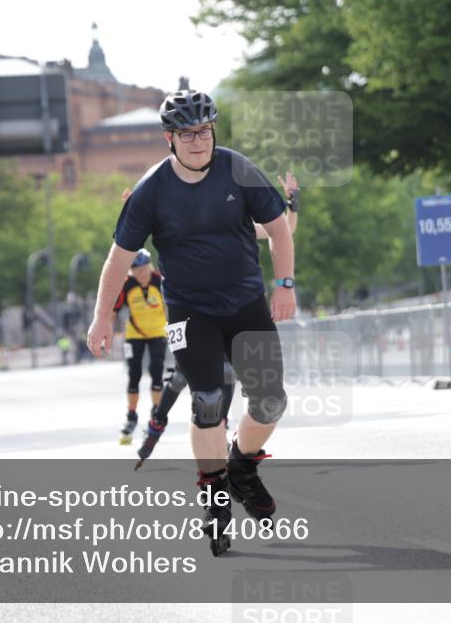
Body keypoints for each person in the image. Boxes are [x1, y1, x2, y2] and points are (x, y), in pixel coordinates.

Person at [87, 89, 296, 556]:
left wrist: (284, 282)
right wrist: (103, 316)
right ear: (170, 138)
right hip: (189, 310)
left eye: (204, 131)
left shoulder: (237, 169)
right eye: (187, 133)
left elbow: (279, 226)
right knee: (207, 400)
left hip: (246, 304)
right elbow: (118, 258)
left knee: (270, 401)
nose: (199, 140)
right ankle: (214, 491)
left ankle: (241, 464)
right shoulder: (151, 190)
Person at [133, 171, 301, 467]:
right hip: (191, 313)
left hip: (235, 312)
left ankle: (223, 449)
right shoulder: (178, 219)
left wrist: (292, 202)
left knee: (221, 389)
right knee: (183, 379)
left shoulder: (240, 223)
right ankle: (157, 423)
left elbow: (284, 228)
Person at [112, 249, 168, 445]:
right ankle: (131, 416)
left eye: (143, 270)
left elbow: (174, 304)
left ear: (149, 267)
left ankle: (156, 413)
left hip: (158, 332)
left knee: (156, 370)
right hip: (134, 334)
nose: (141, 275)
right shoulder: (127, 285)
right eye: (136, 272)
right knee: (134, 373)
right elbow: (114, 310)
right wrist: (109, 333)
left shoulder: (159, 281)